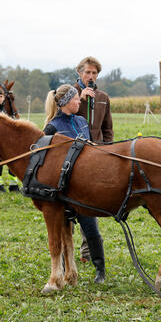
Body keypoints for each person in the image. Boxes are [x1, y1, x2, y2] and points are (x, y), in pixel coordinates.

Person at [42, 84, 106, 283]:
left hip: (83, 189)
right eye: (76, 99)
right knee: (61, 231)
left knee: (92, 230)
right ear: (64, 103)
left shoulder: (81, 121)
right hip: (63, 190)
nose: (79, 101)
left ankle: (100, 270)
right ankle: (61, 268)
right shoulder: (52, 127)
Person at [72, 56, 114, 263]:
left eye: (94, 73)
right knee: (68, 203)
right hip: (71, 153)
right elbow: (61, 117)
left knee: (89, 202)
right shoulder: (68, 93)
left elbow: (108, 128)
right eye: (87, 72)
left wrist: (107, 150)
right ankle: (64, 249)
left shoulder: (103, 97)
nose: (90, 76)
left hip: (95, 155)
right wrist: (80, 98)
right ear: (79, 73)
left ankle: (87, 252)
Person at [0, 88, 21, 193]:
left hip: (7, 141)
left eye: (1, 96)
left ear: (4, 98)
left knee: (12, 161)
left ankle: (14, 185)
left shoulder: (5, 109)